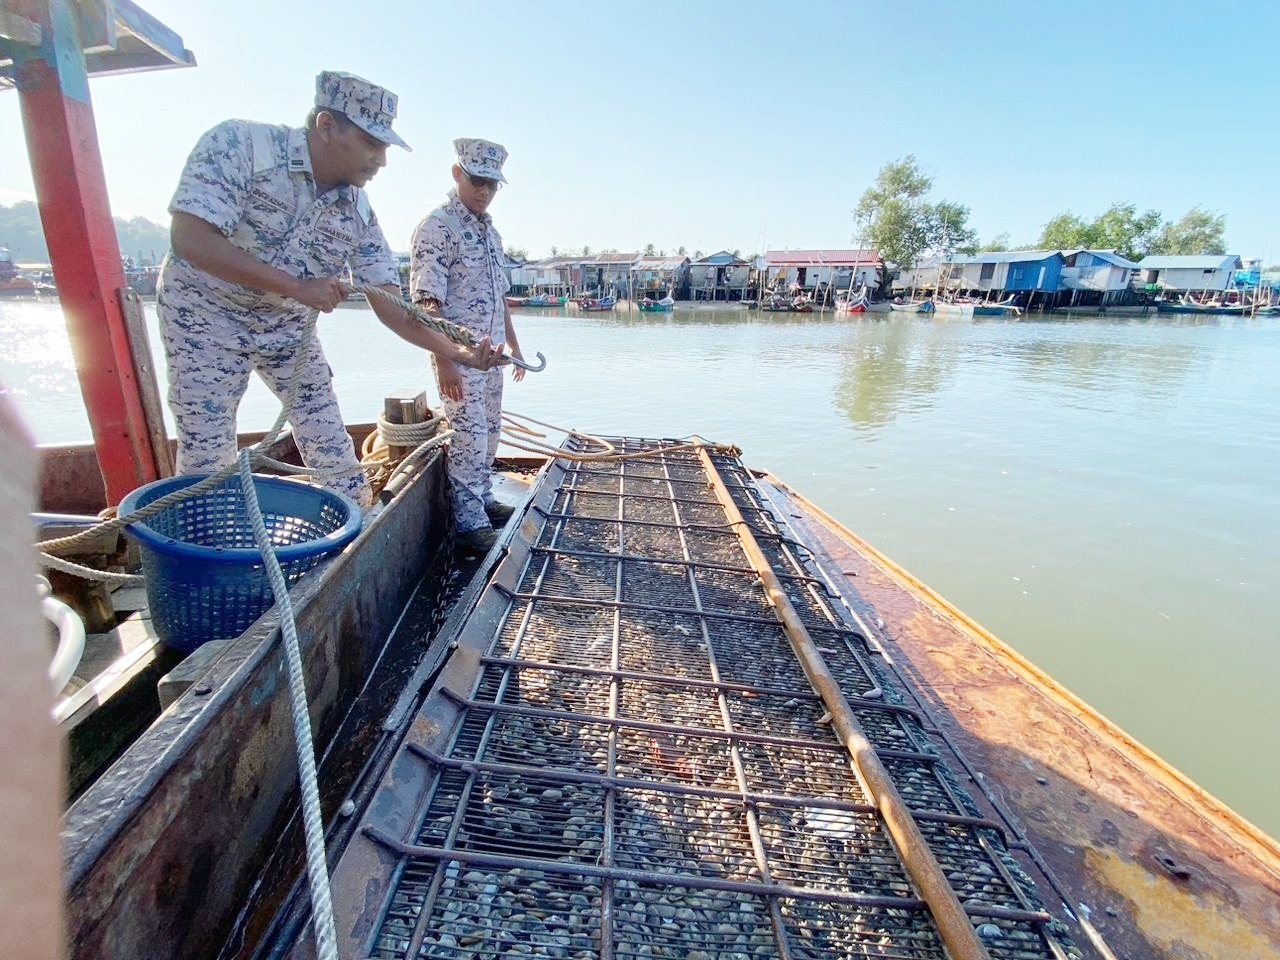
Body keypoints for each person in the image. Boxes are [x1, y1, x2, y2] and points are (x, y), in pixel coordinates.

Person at [156, 71, 505, 509]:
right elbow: (190, 238)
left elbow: (392, 306)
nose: (381, 160)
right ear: (326, 126)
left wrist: (456, 353)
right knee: (207, 457)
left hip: (287, 331)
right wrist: (297, 287)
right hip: (205, 318)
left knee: (334, 455)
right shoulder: (241, 146)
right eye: (372, 143)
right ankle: (206, 558)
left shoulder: (357, 211)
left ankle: (343, 543)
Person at [409, 138, 525, 553]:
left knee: (490, 433)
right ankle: (468, 525)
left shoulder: (490, 233)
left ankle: (483, 499)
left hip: (492, 359)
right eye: (478, 181)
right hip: (459, 357)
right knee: (468, 438)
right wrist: (444, 362)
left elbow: (500, 300)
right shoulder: (437, 228)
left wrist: (517, 348)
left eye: (492, 184)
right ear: (457, 174)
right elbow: (426, 306)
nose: (485, 191)